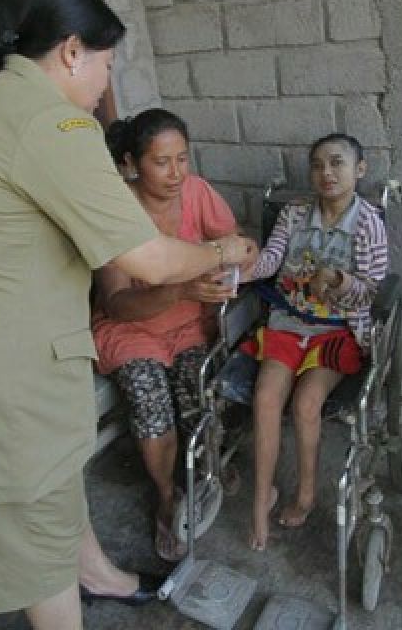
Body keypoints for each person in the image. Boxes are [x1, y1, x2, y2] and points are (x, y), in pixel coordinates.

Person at [0, 0, 255, 630]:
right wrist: (220, 252)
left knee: (55, 485)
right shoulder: (53, 123)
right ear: (72, 52)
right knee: (39, 558)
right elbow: (148, 259)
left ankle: (99, 575)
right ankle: (76, 593)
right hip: (0, 377)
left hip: (8, 359)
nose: (105, 84)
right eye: (106, 64)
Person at [91, 108, 241, 562]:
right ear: (134, 163)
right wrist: (179, 289)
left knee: (201, 389)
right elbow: (116, 301)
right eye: (161, 162)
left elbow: (231, 240)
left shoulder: (196, 192)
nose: (176, 173)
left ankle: (209, 467)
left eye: (182, 159)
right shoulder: (113, 210)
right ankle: (165, 498)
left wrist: (228, 269)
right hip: (131, 328)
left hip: (191, 322)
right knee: (149, 401)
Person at [241, 133, 388, 551]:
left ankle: (306, 494)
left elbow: (372, 290)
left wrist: (340, 280)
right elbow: (271, 260)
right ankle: (260, 501)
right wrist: (239, 270)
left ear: (359, 170)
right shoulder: (295, 212)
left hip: (336, 332)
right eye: (318, 165)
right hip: (289, 323)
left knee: (307, 404)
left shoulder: (367, 224)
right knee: (266, 397)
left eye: (337, 163)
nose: (326, 173)